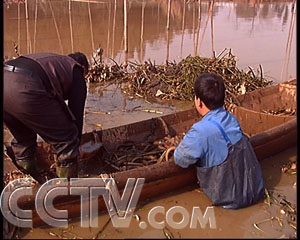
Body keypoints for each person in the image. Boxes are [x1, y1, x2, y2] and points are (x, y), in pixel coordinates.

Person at [174, 72, 265, 209]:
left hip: (228, 202)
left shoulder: (200, 131)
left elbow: (180, 159)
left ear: (199, 102)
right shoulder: (231, 119)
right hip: (255, 191)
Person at [4, 52, 89, 179]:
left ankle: (28, 178)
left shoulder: (54, 61)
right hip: (25, 86)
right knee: (66, 140)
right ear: (83, 68)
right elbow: (76, 112)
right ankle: (66, 189)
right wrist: (75, 145)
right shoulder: (76, 69)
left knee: (24, 139)